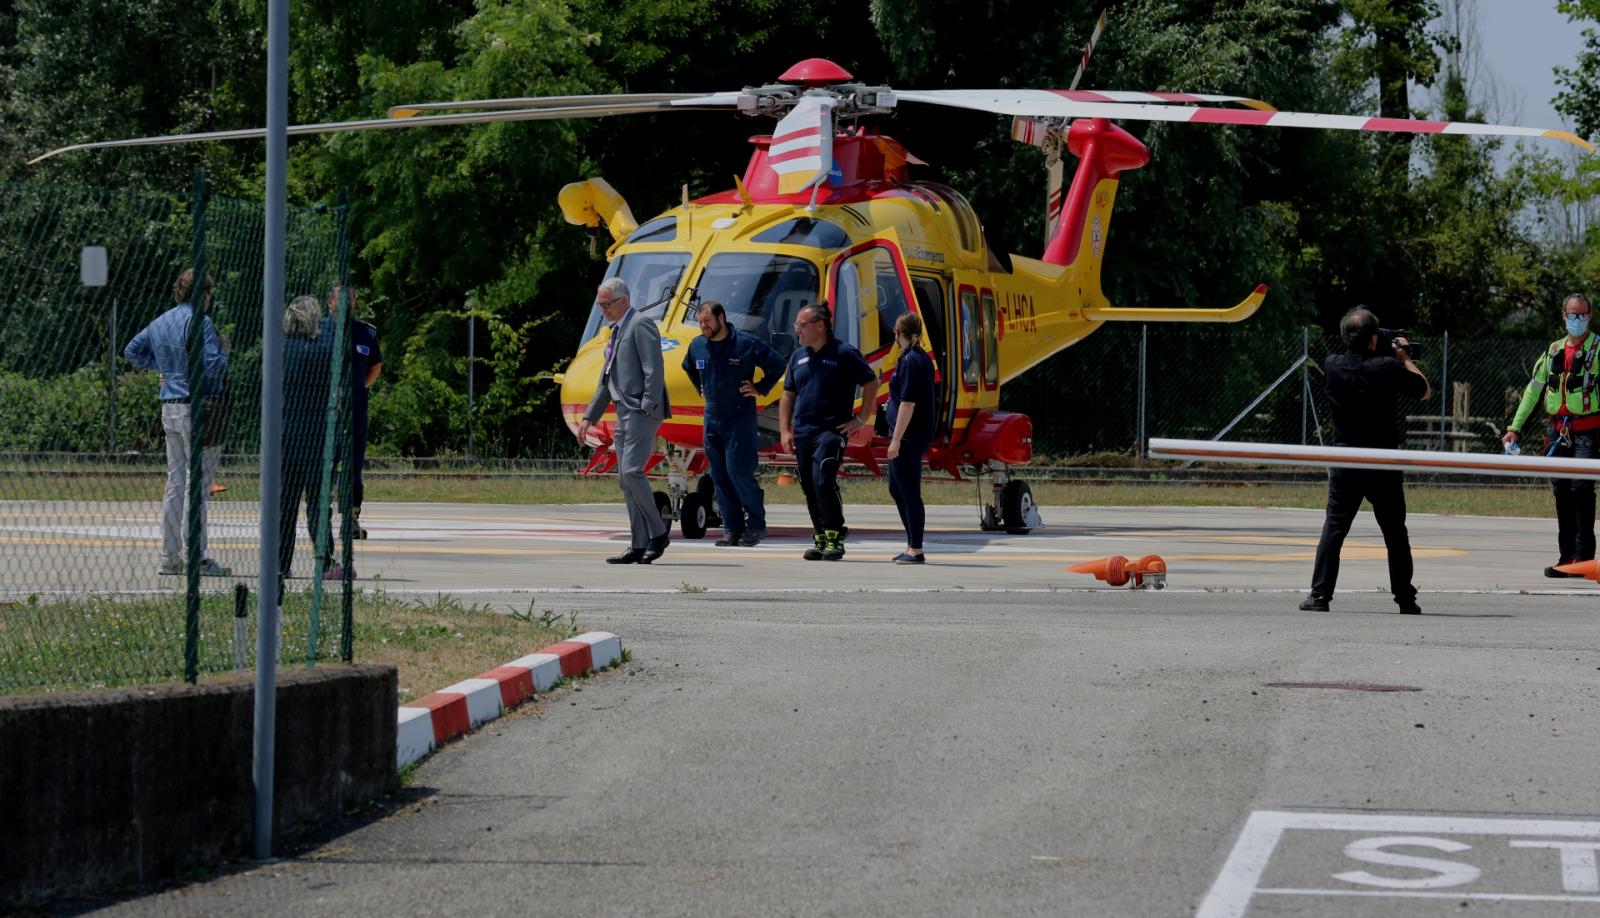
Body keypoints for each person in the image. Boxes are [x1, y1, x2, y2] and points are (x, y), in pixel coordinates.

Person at [1301, 306, 1430, 614]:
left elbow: (1354, 358)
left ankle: (1320, 596)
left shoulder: (1332, 365)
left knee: (1334, 528)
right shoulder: (1387, 367)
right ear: (1374, 339)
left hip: (1346, 459)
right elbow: (1423, 390)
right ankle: (1405, 598)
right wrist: (1404, 356)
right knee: (1395, 531)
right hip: (1382, 461)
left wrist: (1379, 349)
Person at [124, 267, 231, 576]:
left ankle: (169, 556)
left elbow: (131, 350)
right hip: (197, 407)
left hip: (169, 405)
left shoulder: (161, 321)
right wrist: (224, 351)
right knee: (198, 486)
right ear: (203, 295)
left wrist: (167, 370)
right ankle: (197, 556)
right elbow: (211, 368)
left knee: (176, 482)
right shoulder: (201, 321)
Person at [1503, 293, 1600, 577]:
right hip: (1558, 432)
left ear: (1589, 317)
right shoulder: (1553, 349)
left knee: (1581, 491)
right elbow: (1533, 392)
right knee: (1561, 492)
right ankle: (1566, 557)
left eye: (1582, 315)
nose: (1577, 320)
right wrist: (1514, 428)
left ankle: (1584, 559)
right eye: (1572, 315)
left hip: (1587, 432)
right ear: (1563, 315)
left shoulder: (1598, 349)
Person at [578, 277, 673, 564]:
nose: (603, 309)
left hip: (641, 411)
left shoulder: (641, 324)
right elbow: (606, 381)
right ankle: (638, 543)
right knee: (625, 480)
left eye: (607, 304)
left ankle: (658, 534)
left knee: (632, 472)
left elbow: (653, 368)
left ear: (624, 302)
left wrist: (646, 406)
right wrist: (588, 418)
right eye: (600, 305)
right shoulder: (616, 330)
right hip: (624, 411)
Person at [779, 303, 880, 561]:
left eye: (801, 325)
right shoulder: (798, 356)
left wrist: (861, 418)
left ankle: (836, 533)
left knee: (824, 481)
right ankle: (820, 535)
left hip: (831, 431)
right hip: (803, 431)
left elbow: (871, 382)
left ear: (820, 325)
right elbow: (788, 394)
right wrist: (784, 430)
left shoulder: (843, 353)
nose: (797, 330)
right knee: (809, 485)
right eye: (796, 325)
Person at [681, 300, 786, 546]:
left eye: (707, 321)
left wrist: (760, 388)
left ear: (721, 318)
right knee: (718, 476)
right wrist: (701, 388)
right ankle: (732, 529)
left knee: (739, 473)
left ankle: (756, 525)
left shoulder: (745, 343)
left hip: (739, 418)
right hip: (712, 419)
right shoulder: (697, 346)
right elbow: (689, 368)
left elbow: (778, 364)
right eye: (700, 322)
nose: (703, 326)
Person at [322, 285, 382, 580]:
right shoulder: (320, 331)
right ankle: (322, 513)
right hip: (326, 412)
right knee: (327, 465)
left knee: (355, 466)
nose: (346, 304)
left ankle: (352, 518)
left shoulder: (365, 333)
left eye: (352, 299)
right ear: (330, 302)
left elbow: (375, 366)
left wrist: (358, 391)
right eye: (340, 299)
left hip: (355, 410)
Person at [278, 295, 335, 593]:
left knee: (285, 503)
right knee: (317, 501)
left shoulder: (279, 350)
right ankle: (324, 560)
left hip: (284, 435)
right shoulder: (323, 352)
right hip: (315, 434)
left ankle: (279, 563)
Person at [886, 313, 936, 564]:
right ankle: (911, 544)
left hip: (908, 436)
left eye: (896, 331)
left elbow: (908, 403)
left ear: (900, 333)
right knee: (896, 488)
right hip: (907, 434)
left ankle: (916, 548)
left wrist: (896, 440)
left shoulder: (912, 361)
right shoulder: (914, 358)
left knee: (908, 491)